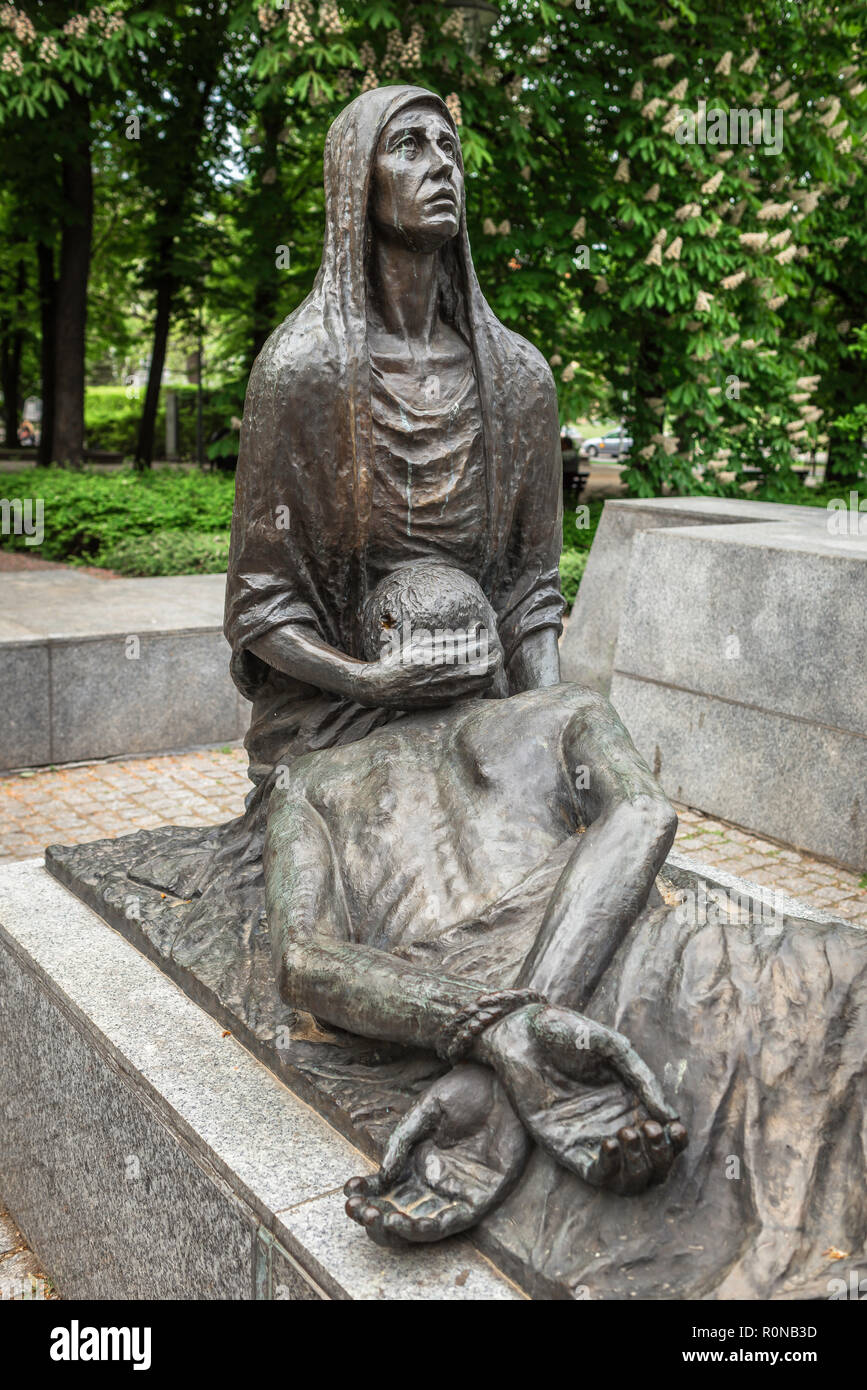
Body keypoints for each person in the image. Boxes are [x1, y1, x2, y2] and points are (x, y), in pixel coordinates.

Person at [264, 561, 687, 1246]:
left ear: (384, 638)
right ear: (488, 632)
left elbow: (303, 960)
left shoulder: (309, 781)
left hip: (539, 963)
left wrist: (501, 1035)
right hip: (611, 954)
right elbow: (639, 813)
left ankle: (503, 1094)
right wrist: (521, 1027)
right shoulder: (567, 708)